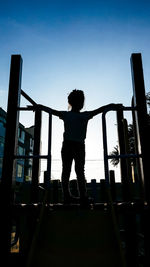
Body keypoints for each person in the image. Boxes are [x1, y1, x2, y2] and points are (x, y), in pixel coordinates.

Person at [35, 89, 121, 205]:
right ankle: (77, 196)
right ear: (78, 103)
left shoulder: (74, 115)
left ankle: (73, 196)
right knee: (76, 170)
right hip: (74, 145)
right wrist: (112, 105)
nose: (79, 103)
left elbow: (51, 111)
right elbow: (100, 110)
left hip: (73, 145)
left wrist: (40, 107)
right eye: (79, 101)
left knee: (71, 170)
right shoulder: (80, 115)